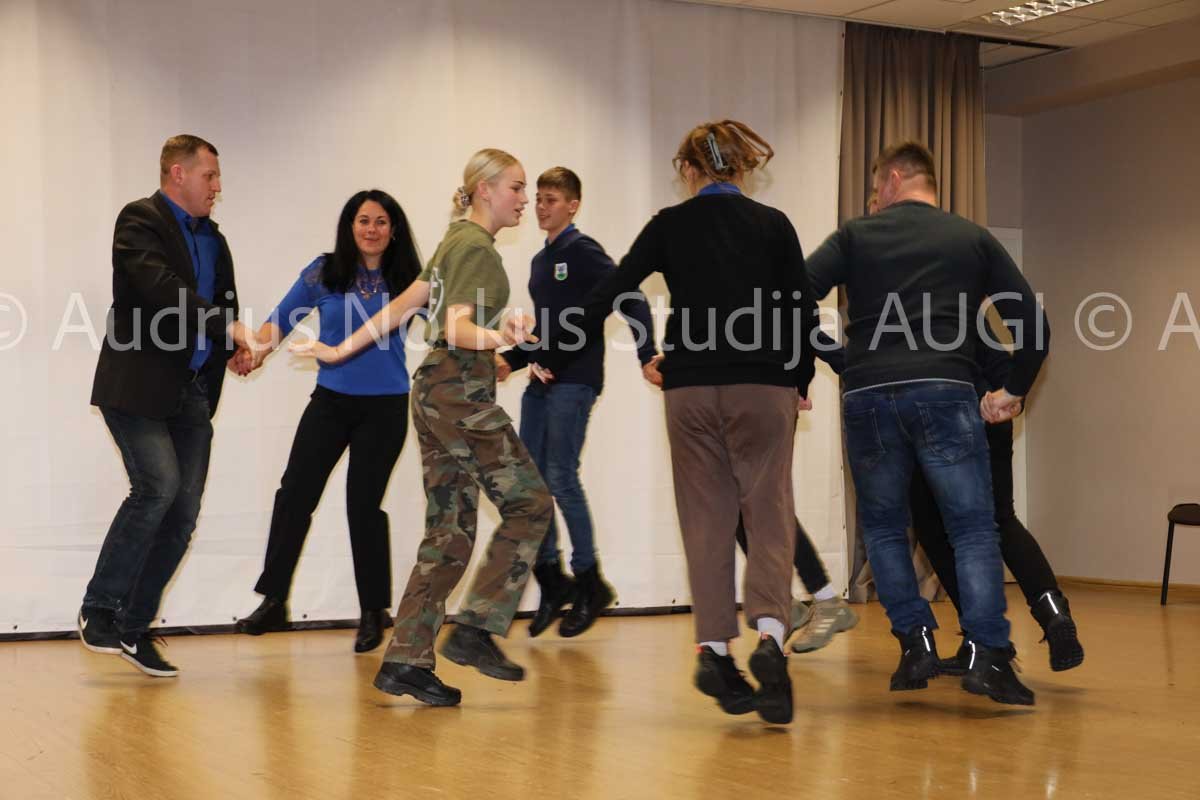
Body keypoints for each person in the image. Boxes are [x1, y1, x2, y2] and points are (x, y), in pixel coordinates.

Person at [537, 120, 819, 725]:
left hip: (689, 388)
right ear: (741, 168)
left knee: (705, 520)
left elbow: (610, 291)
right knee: (768, 513)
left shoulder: (668, 224)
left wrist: (543, 350)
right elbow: (800, 308)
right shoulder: (774, 224)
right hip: (762, 384)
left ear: (688, 170)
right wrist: (800, 379)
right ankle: (771, 638)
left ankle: (714, 651)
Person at [293, 149, 547, 707]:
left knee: (449, 532)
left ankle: (406, 659)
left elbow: (402, 306)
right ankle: (475, 629)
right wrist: (505, 337)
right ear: (485, 190)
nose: (524, 199)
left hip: (434, 391)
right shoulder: (475, 248)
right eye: (516, 187)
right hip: (459, 391)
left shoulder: (455, 239)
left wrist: (338, 349)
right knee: (530, 505)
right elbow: (456, 327)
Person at [806, 141, 1050, 706]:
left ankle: (915, 644)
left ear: (894, 178)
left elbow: (785, 297)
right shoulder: (970, 238)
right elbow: (1032, 326)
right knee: (973, 529)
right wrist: (1011, 390)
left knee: (884, 528)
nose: (874, 197)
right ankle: (988, 657)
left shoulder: (854, 236)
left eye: (876, 185)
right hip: (944, 389)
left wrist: (840, 356)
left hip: (867, 395)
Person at [79, 134, 258, 677]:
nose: (217, 187)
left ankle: (133, 628)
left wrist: (231, 346)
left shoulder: (214, 239)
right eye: (210, 176)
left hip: (191, 390)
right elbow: (160, 289)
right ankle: (99, 609)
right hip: (137, 384)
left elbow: (221, 302)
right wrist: (223, 324)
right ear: (178, 174)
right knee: (157, 486)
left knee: (182, 513)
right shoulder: (139, 220)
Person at [234, 190, 423, 653]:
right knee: (294, 494)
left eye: (381, 221)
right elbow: (279, 322)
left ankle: (373, 611)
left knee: (364, 506)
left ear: (394, 230)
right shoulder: (324, 272)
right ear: (349, 226)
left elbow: (450, 324)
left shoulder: (409, 280)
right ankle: (274, 600)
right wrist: (255, 353)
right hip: (331, 402)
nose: (371, 229)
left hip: (385, 407)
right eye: (363, 220)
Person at [496, 166, 657, 639]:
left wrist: (648, 354)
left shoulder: (583, 252)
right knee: (530, 483)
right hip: (542, 381)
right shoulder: (539, 261)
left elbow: (631, 298)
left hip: (576, 381)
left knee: (561, 476)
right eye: (538, 198)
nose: (541, 207)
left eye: (551, 199)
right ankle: (552, 579)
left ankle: (590, 582)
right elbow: (549, 332)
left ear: (573, 205)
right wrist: (512, 359)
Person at [910, 331, 1084, 673]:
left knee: (934, 530)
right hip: (989, 411)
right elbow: (1000, 359)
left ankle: (983, 639)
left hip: (935, 420)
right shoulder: (963, 307)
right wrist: (1007, 395)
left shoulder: (900, 313)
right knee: (1001, 519)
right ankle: (1053, 613)